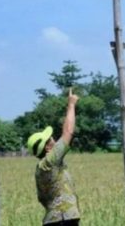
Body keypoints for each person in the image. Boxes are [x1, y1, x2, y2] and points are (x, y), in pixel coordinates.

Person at [27, 87, 81, 225]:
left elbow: (42, 199)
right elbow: (68, 132)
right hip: (63, 220)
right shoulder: (50, 162)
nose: (54, 139)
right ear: (47, 148)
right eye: (50, 139)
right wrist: (71, 105)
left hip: (55, 220)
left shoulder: (40, 168)